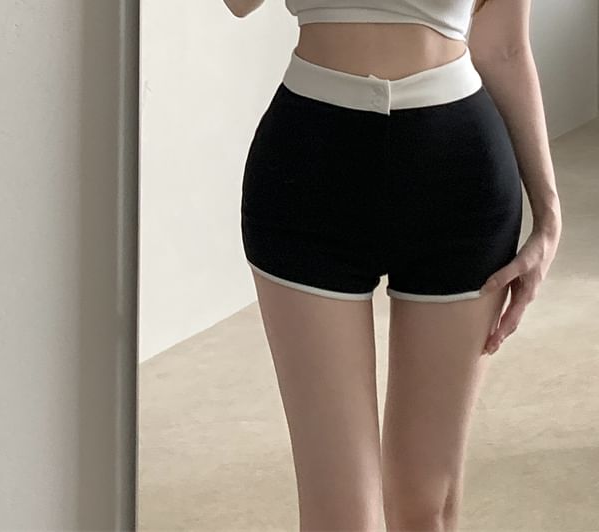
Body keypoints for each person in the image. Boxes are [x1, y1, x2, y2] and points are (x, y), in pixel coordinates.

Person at [224, 0, 563, 530]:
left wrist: (549, 213)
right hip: (308, 168)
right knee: (339, 517)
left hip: (458, 173)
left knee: (426, 507)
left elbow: (504, 47)